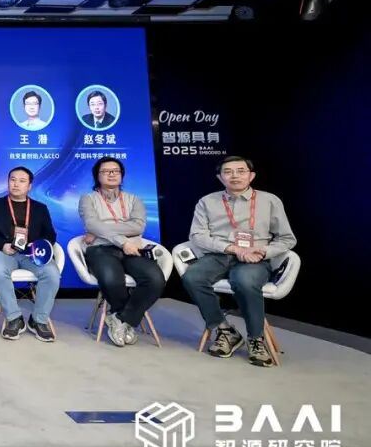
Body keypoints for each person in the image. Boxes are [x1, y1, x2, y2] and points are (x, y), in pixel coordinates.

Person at [181, 156, 296, 368]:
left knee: (244, 281)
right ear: (220, 177)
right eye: (228, 172)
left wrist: (263, 251)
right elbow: (197, 236)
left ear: (251, 176)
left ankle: (255, 339)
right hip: (219, 254)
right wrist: (232, 248)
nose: (235, 176)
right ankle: (224, 329)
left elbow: (287, 239)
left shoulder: (270, 201)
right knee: (192, 277)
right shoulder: (207, 201)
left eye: (241, 171)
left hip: (255, 257)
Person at [78, 157, 165, 347]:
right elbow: (91, 223)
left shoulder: (134, 199)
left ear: (122, 175)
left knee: (155, 279)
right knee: (111, 279)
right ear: (97, 176)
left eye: (115, 171)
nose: (111, 174)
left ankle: (120, 318)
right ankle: (125, 318)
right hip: (101, 249)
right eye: (106, 171)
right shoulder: (88, 199)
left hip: (133, 249)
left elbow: (138, 226)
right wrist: (121, 239)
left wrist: (100, 230)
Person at [0, 166, 59, 342]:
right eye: (13, 180)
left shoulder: (40, 208)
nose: (16, 184)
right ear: (8, 182)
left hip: (32, 254)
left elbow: (50, 234)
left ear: (29, 186)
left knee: (52, 274)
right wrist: (2, 245)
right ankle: (14, 318)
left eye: (22, 181)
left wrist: (37, 246)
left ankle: (38, 320)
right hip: (4, 251)